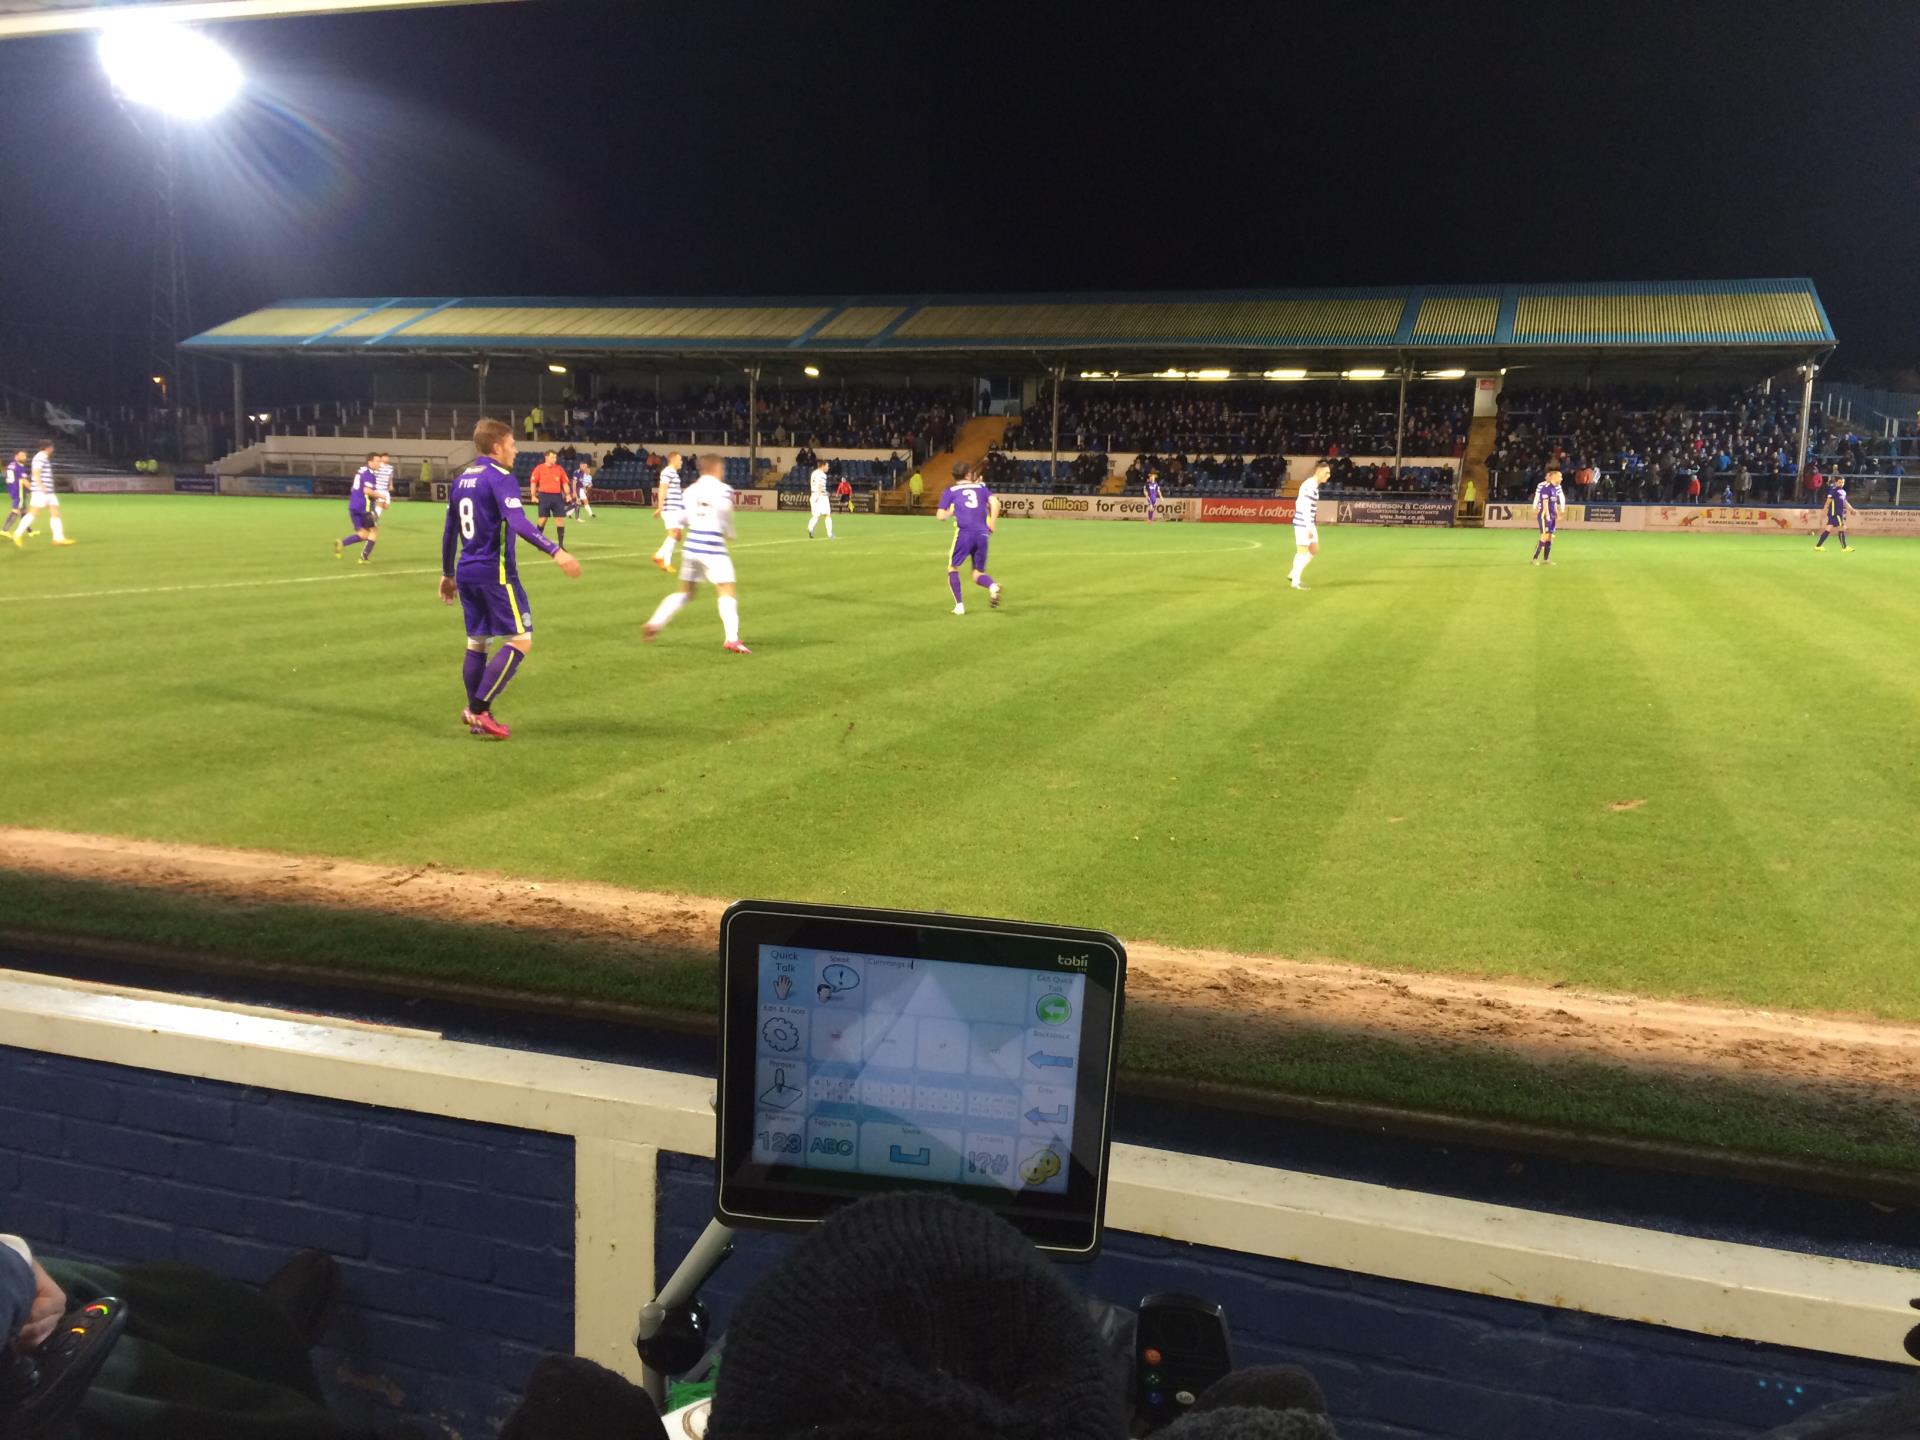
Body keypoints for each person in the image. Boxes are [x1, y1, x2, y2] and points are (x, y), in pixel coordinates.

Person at [439, 419, 581, 741]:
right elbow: (517, 521)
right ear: (497, 446)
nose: (516, 450)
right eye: (512, 444)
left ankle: (478, 716)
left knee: (478, 642)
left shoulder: (461, 479)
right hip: (495, 572)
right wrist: (556, 552)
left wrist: (447, 574)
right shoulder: (500, 478)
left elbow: (450, 532)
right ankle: (477, 709)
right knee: (521, 639)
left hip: (466, 571)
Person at [642, 454, 749, 653]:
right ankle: (732, 638)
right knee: (726, 590)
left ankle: (655, 623)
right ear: (716, 469)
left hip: (692, 547)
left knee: (685, 593)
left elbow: (682, 517)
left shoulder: (691, 490)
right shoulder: (724, 489)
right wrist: (731, 532)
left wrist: (676, 528)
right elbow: (725, 512)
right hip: (713, 546)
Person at [937, 460, 1002, 614]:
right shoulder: (981, 488)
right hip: (982, 534)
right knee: (977, 573)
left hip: (964, 534)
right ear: (968, 474)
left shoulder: (950, 490)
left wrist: (951, 511)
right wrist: (992, 524)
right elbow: (995, 503)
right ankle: (993, 586)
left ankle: (959, 606)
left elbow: (940, 516)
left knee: (953, 567)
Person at [9, 440, 72, 548]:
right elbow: (36, 472)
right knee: (33, 513)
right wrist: (41, 485)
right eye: (52, 447)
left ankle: (58, 538)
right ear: (48, 448)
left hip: (48, 491)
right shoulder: (39, 457)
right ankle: (17, 534)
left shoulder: (43, 457)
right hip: (41, 491)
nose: (53, 449)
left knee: (55, 512)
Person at [334, 452, 382, 563]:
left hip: (353, 506)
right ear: (370, 462)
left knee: (363, 534)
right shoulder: (369, 473)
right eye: (378, 461)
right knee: (374, 531)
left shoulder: (360, 471)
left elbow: (354, 489)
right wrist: (380, 495)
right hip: (364, 508)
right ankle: (363, 558)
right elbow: (367, 490)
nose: (380, 464)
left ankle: (341, 543)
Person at [1289, 461, 1326, 590]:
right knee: (1302, 551)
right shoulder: (1310, 485)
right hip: (1304, 523)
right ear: (1319, 472)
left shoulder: (1312, 485)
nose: (1328, 475)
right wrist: (1308, 526)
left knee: (1314, 549)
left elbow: (1299, 502)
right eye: (1326, 472)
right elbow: (1304, 506)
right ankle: (1295, 581)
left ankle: (1294, 573)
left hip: (1308, 522)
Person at [529, 449, 571, 550]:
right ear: (546, 457)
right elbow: (533, 482)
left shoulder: (559, 469)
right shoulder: (539, 468)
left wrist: (568, 494)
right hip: (544, 496)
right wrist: (533, 495)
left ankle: (561, 545)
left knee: (560, 519)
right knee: (543, 519)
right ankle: (538, 543)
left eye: (555, 457)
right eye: (553, 457)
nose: (555, 459)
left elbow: (564, 482)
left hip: (557, 496)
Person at [653, 451, 686, 571]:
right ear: (673, 460)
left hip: (676, 508)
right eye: (680, 459)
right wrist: (660, 507)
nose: (681, 462)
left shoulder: (674, 473)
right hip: (670, 508)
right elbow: (662, 489)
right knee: (674, 534)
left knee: (677, 536)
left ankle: (664, 562)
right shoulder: (667, 472)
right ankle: (661, 558)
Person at [1532, 464, 1565, 565]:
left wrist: (1557, 513)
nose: (1561, 478)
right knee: (1544, 536)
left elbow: (1553, 503)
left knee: (1550, 536)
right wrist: (1547, 516)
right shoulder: (1546, 488)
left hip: (1552, 515)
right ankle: (1535, 558)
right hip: (1544, 515)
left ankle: (1546, 559)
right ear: (1554, 477)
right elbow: (1545, 503)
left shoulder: (1555, 488)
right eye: (1560, 476)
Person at [1815, 478, 1855, 552]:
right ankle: (1845, 547)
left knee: (1828, 529)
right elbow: (1828, 501)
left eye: (1843, 482)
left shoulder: (1843, 492)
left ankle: (1818, 546)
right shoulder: (1833, 491)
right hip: (1835, 513)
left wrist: (1851, 509)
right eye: (1840, 482)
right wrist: (1824, 510)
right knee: (1842, 527)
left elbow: (1845, 502)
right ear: (1836, 482)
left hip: (1838, 513)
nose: (1841, 484)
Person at [3, 448, 28, 537]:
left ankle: (29, 531)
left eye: (25, 455)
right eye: (22, 455)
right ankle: (4, 530)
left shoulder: (10, 465)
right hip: (18, 491)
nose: (24, 457)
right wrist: (33, 488)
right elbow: (24, 481)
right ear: (16, 456)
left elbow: (7, 479)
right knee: (15, 511)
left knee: (23, 510)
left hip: (12, 489)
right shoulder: (19, 467)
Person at [807, 458, 834, 539]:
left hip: (813, 495)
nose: (828, 468)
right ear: (823, 466)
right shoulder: (822, 474)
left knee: (816, 515)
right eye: (827, 466)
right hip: (821, 496)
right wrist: (820, 495)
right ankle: (830, 534)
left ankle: (810, 528)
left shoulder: (813, 473)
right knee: (828, 515)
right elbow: (820, 486)